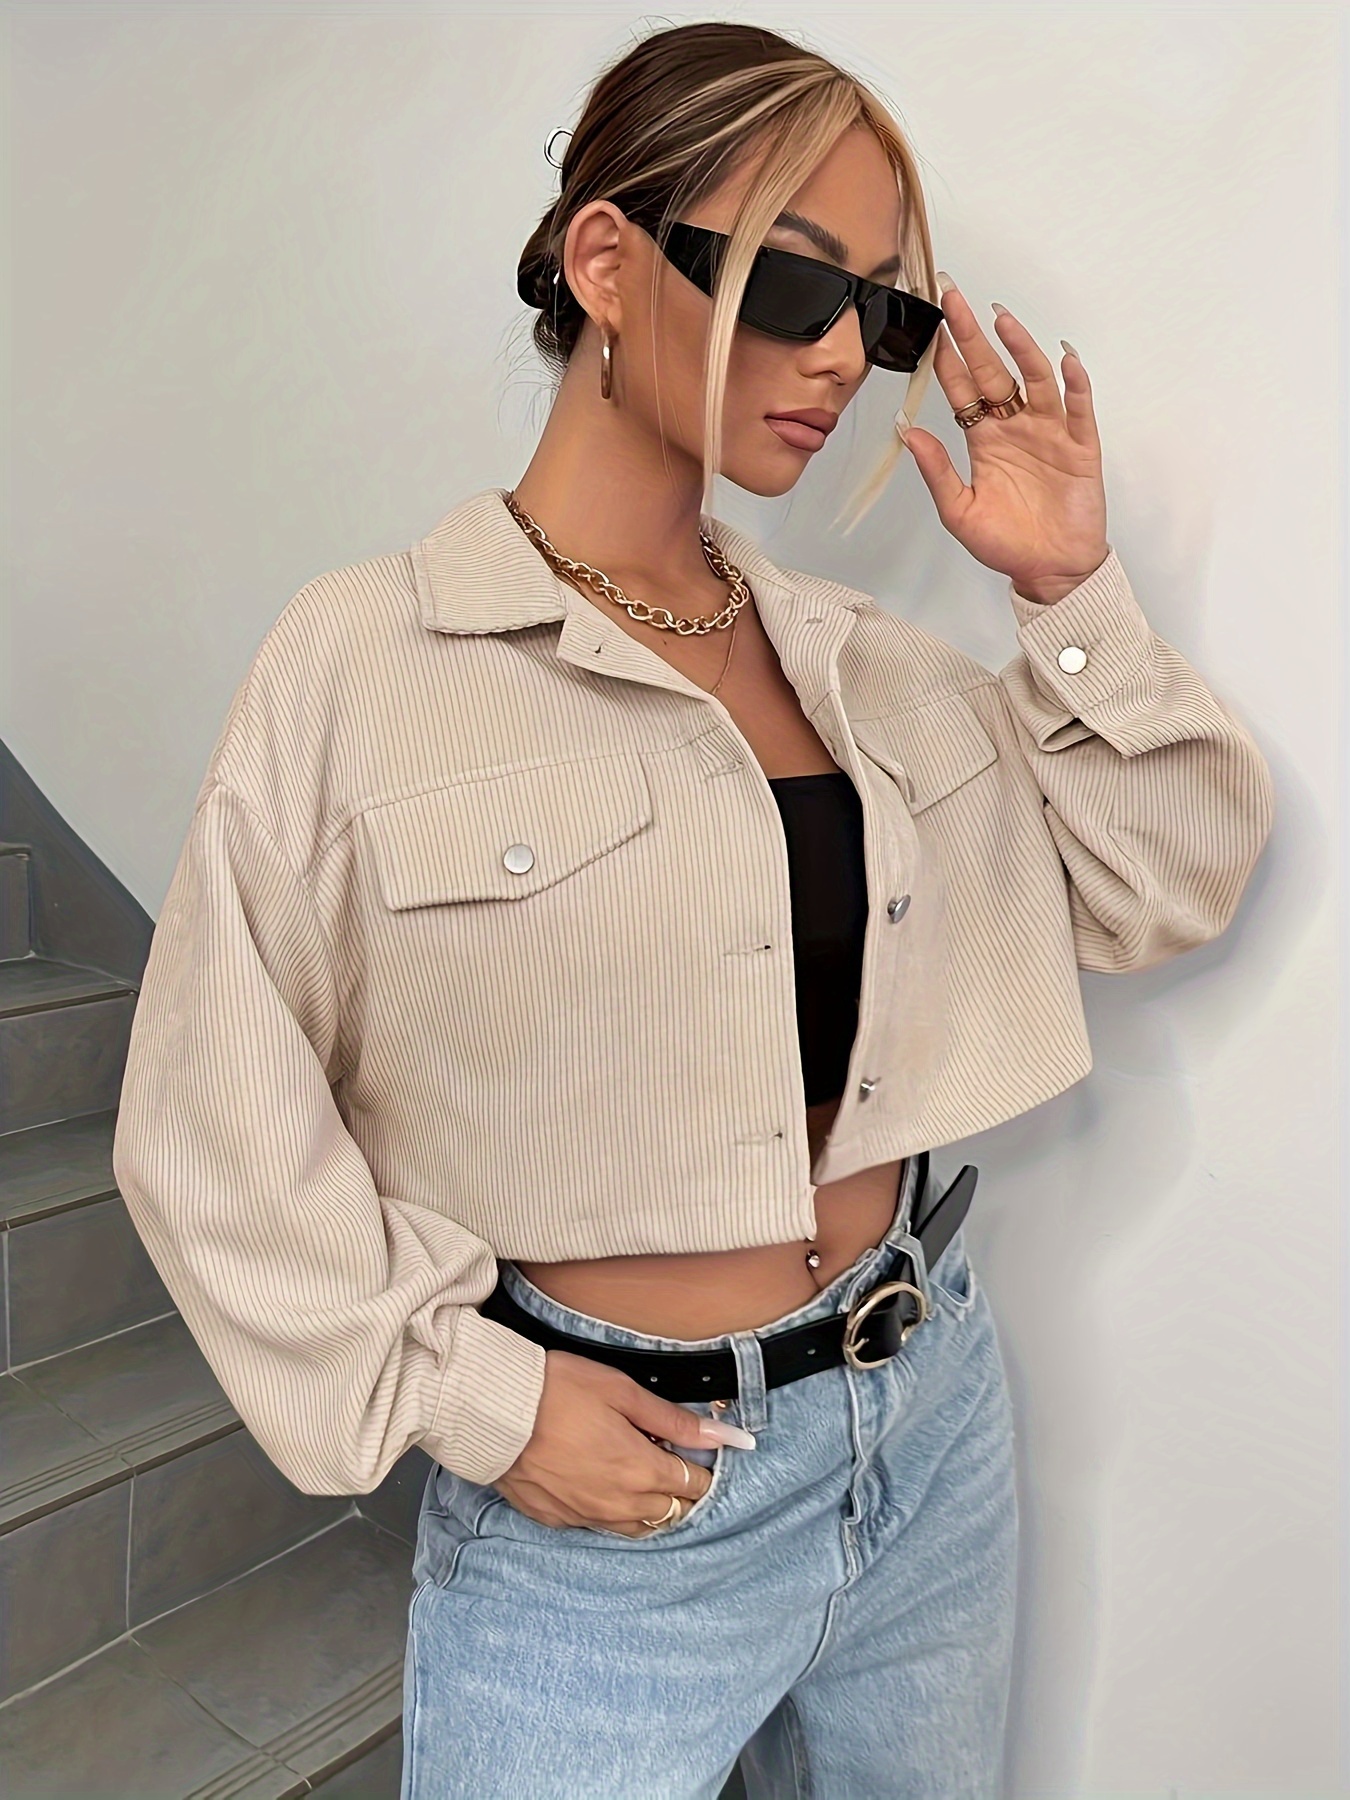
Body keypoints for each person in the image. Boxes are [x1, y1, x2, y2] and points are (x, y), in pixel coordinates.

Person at [110, 20, 1275, 1800]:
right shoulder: (365, 662)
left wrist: (1068, 591)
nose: (842, 358)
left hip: (925, 1432)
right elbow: (208, 1124)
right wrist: (484, 1406)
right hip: (615, 1498)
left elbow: (1161, 882)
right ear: (604, 260)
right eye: (798, 285)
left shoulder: (871, 670)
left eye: (883, 316)